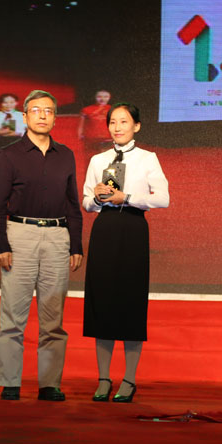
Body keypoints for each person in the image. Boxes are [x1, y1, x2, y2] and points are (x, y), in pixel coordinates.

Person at [0, 89, 83, 402]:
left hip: (58, 237)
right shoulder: (9, 155)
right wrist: (0, 244)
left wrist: (76, 245)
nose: (42, 116)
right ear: (25, 116)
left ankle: (49, 384)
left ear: (55, 117)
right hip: (19, 235)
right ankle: (10, 382)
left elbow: (73, 204)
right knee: (13, 316)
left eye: (48, 111)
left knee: (53, 318)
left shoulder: (66, 155)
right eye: (36, 110)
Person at [82, 103, 169, 403]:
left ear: (137, 126)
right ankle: (103, 379)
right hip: (104, 229)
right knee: (103, 301)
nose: (117, 127)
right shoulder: (98, 159)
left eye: (124, 121)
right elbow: (86, 202)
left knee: (131, 302)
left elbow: (163, 198)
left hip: (133, 229)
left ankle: (129, 379)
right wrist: (96, 199)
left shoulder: (148, 158)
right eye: (113, 122)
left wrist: (127, 197)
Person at [0, 93, 26, 186]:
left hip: (18, 143)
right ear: (0, 103)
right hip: (0, 143)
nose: (8, 105)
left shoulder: (23, 116)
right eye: (5, 102)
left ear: (16, 103)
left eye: (11, 102)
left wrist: (19, 133)